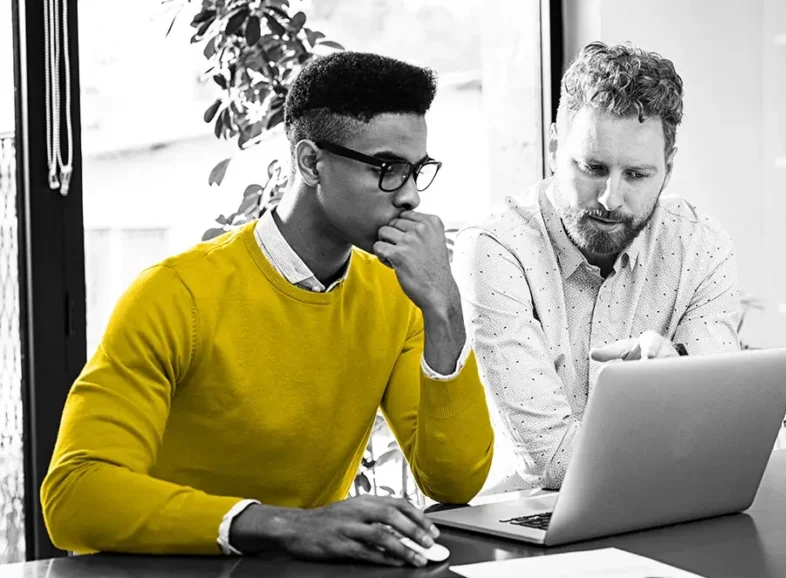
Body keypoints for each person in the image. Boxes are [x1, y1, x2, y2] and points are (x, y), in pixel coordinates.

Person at [41, 51, 494, 567]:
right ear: (310, 162)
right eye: (388, 169)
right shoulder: (173, 294)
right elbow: (76, 496)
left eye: (417, 170)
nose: (411, 195)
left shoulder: (397, 294)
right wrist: (280, 525)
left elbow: (453, 481)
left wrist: (445, 311)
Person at [452, 41, 739, 491]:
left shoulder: (701, 245)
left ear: (668, 169)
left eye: (638, 175)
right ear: (553, 148)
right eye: (592, 167)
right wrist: (677, 414)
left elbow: (720, 427)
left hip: (663, 507)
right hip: (524, 519)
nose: (610, 199)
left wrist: (682, 375)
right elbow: (551, 461)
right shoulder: (495, 247)